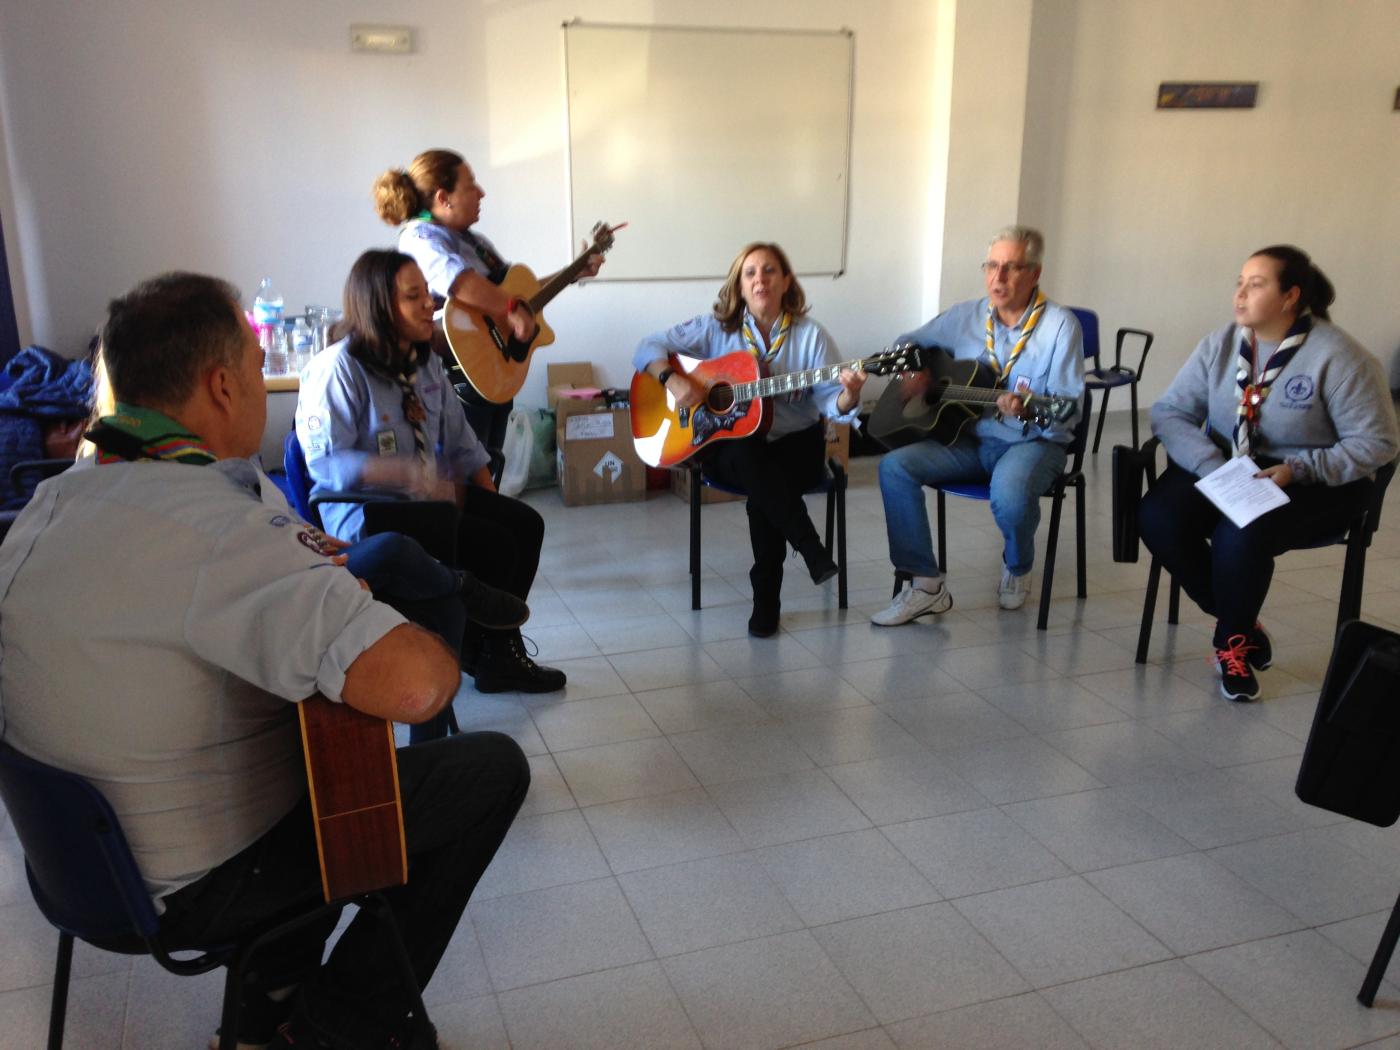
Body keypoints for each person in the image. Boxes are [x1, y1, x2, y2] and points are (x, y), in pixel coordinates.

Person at [0, 273, 530, 1049]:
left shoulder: (44, 507)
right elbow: (422, 687)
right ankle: (325, 1027)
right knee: (485, 772)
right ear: (221, 385)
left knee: (300, 749)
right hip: (193, 883)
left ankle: (264, 1009)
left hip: (69, 868)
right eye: (254, 372)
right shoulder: (219, 528)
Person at [297, 249, 566, 713]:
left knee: (522, 526)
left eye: (428, 293)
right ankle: (474, 646)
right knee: (490, 543)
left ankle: (494, 651)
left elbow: (461, 444)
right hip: (364, 511)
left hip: (427, 502)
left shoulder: (424, 365)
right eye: (414, 296)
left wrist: (490, 497)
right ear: (380, 306)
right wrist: (400, 473)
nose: (430, 304)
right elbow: (325, 466)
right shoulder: (339, 368)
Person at [1141, 245, 1399, 702]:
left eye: (1255, 284)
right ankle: (1236, 615)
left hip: (1316, 479)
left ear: (1289, 296)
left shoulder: (1341, 357)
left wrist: (1298, 468)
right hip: (1228, 464)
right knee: (1158, 516)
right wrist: (1211, 466)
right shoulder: (1222, 343)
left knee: (1240, 533)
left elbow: (1377, 444)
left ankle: (1231, 645)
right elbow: (1170, 411)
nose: (1240, 294)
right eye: (1239, 282)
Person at [633, 242, 866, 637]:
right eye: (751, 273)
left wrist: (852, 393)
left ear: (786, 280)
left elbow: (832, 403)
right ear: (739, 286)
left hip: (797, 444)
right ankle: (809, 549)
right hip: (730, 448)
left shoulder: (812, 337)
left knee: (764, 487)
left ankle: (768, 600)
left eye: (770, 270)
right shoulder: (714, 329)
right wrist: (671, 379)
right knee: (750, 456)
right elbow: (647, 346)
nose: (761, 279)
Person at [871, 225, 1085, 625]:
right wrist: (915, 372)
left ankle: (1018, 567)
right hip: (966, 438)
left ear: (1035, 273)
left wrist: (1025, 410)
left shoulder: (1060, 327)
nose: (997, 278)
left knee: (1011, 495)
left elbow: (1068, 409)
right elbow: (905, 344)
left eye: (1011, 268)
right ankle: (925, 586)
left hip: (1032, 441)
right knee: (894, 467)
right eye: (991, 265)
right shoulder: (964, 316)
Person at [373, 148, 604, 455]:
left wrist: (572, 272)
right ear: (444, 198)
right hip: (454, 377)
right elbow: (460, 283)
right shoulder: (420, 238)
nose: (481, 192)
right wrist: (510, 310)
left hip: (496, 370)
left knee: (490, 465)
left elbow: (519, 295)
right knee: (465, 474)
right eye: (470, 185)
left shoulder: (475, 242)